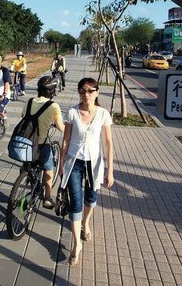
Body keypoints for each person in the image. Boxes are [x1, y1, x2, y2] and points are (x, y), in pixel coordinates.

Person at [58, 77, 114, 266]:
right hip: (74, 162)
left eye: (90, 90)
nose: (86, 94)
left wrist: (110, 170)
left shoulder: (103, 114)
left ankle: (86, 222)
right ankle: (76, 245)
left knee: (91, 198)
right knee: (76, 202)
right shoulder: (72, 112)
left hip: (94, 163)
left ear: (97, 92)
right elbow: (65, 140)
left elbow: (108, 143)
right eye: (83, 90)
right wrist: (61, 163)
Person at [22, 76, 65, 209]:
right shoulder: (53, 106)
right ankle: (47, 197)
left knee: (27, 165)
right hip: (41, 145)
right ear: (52, 91)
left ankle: (25, 177)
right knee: (48, 170)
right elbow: (61, 127)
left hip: (26, 143)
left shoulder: (29, 101)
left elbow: (23, 116)